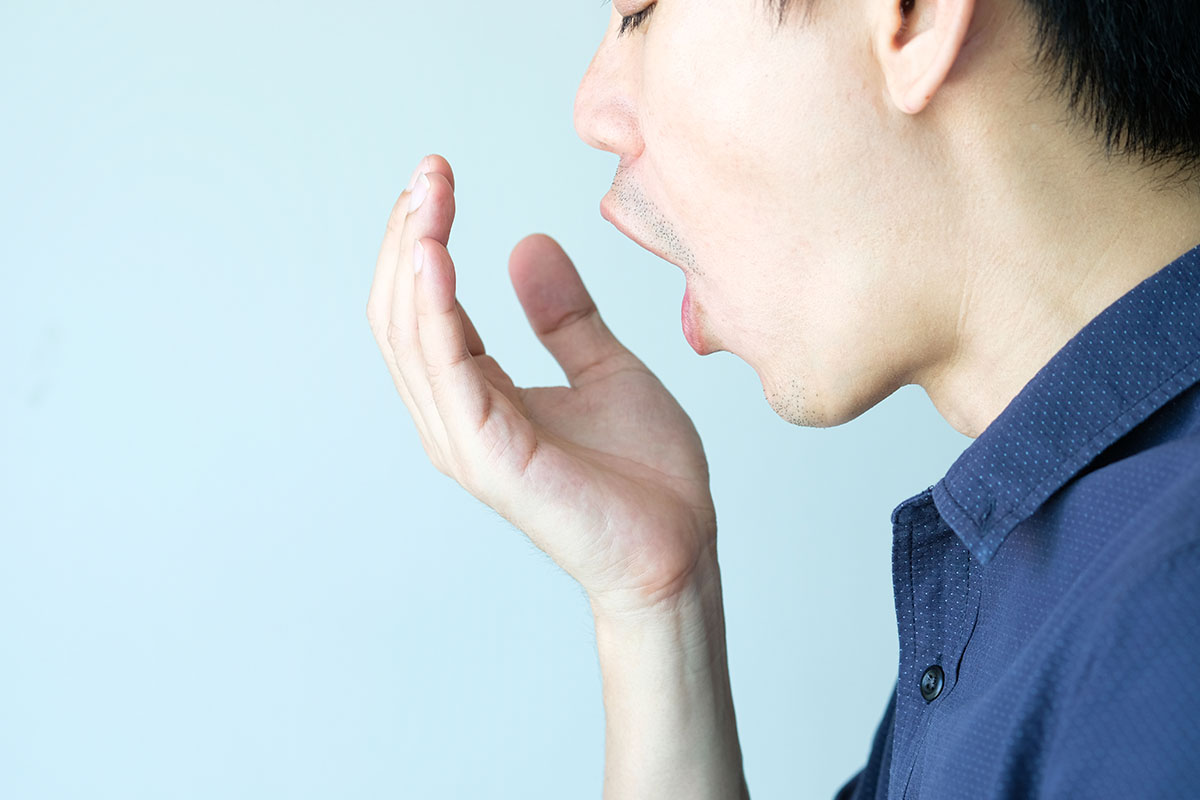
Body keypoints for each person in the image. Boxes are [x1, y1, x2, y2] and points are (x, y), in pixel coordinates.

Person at [365, 0, 1200, 796]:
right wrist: (659, 603)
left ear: (916, 15)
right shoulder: (1053, 564)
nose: (593, 111)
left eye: (640, 14)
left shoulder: (1163, 631)